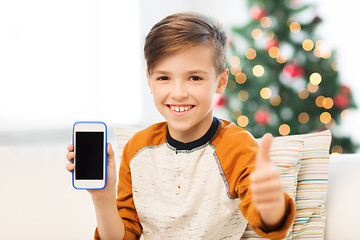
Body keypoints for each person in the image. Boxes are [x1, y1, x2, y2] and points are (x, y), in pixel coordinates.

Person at [66, 12, 295, 240]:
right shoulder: (137, 149)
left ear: (221, 81)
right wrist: (103, 198)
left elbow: (268, 221)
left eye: (194, 78)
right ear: (149, 81)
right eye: (164, 78)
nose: (178, 93)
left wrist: (271, 203)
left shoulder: (237, 146)